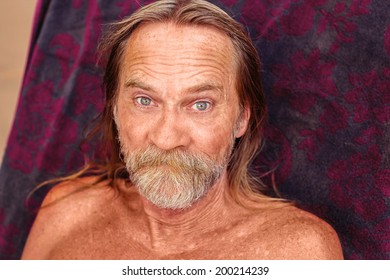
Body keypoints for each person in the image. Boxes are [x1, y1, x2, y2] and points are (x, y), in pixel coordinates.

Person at [21, 0, 343, 259]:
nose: (166, 138)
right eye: (145, 100)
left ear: (241, 118)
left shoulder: (302, 253)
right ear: (115, 109)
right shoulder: (63, 215)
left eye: (200, 105)